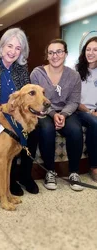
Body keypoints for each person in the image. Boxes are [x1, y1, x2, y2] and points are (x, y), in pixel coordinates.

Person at [0, 27, 39, 196]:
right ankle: (9, 180)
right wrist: (2, 108)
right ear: (2, 46)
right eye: (10, 46)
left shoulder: (22, 69)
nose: (13, 51)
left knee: (35, 131)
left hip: (19, 116)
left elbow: (27, 98)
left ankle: (26, 176)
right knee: (8, 137)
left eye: (18, 48)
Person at [30, 38, 84, 191]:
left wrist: (64, 115)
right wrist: (53, 114)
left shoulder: (74, 76)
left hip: (67, 111)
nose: (55, 56)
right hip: (44, 111)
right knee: (47, 129)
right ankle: (50, 171)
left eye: (59, 52)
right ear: (47, 56)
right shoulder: (37, 73)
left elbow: (74, 101)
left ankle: (74, 172)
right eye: (51, 53)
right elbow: (37, 101)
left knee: (75, 130)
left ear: (65, 54)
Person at [75, 36, 97, 182]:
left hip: (94, 111)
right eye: (88, 49)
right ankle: (94, 167)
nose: (91, 52)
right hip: (79, 110)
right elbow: (73, 99)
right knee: (94, 123)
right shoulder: (75, 71)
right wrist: (90, 112)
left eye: (95, 50)